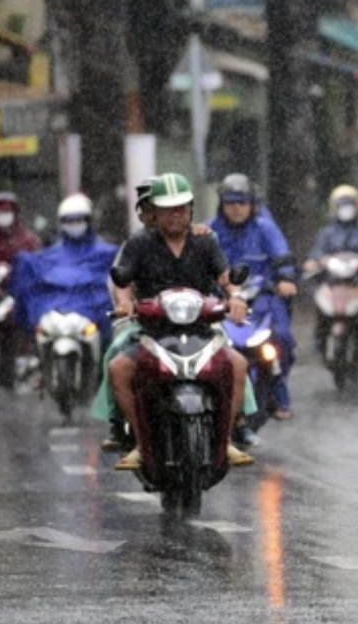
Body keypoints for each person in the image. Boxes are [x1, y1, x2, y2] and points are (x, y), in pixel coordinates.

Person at [108, 173, 255, 470]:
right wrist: (124, 303)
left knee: (237, 364)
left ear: (191, 208)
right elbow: (122, 278)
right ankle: (137, 439)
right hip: (151, 328)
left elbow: (225, 276)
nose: (176, 215)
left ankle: (227, 438)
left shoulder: (205, 240)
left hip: (202, 326)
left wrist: (236, 297)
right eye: (167, 209)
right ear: (154, 212)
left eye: (181, 208)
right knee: (118, 366)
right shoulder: (139, 243)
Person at [209, 173, 299, 429]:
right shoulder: (209, 230)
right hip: (220, 303)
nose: (236, 209)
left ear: (252, 204)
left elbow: (283, 257)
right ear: (221, 204)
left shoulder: (265, 229)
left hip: (262, 301)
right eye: (230, 203)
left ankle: (279, 393)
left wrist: (285, 280)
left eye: (242, 202)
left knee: (282, 339)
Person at [10, 193, 116, 360]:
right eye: (69, 221)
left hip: (91, 318)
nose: (74, 225)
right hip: (56, 320)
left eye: (79, 220)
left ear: (88, 221)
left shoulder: (106, 253)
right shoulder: (50, 255)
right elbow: (31, 280)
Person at [304, 184, 358, 352]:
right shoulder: (326, 233)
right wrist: (315, 261)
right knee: (320, 309)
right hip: (332, 282)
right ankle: (318, 343)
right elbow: (317, 252)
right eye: (342, 205)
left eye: (349, 204)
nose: (346, 209)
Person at [0, 191, 43, 389]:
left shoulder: (27, 239)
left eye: (6, 211)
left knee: (16, 335)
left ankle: (15, 374)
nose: (2, 216)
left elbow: (36, 267)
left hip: (17, 295)